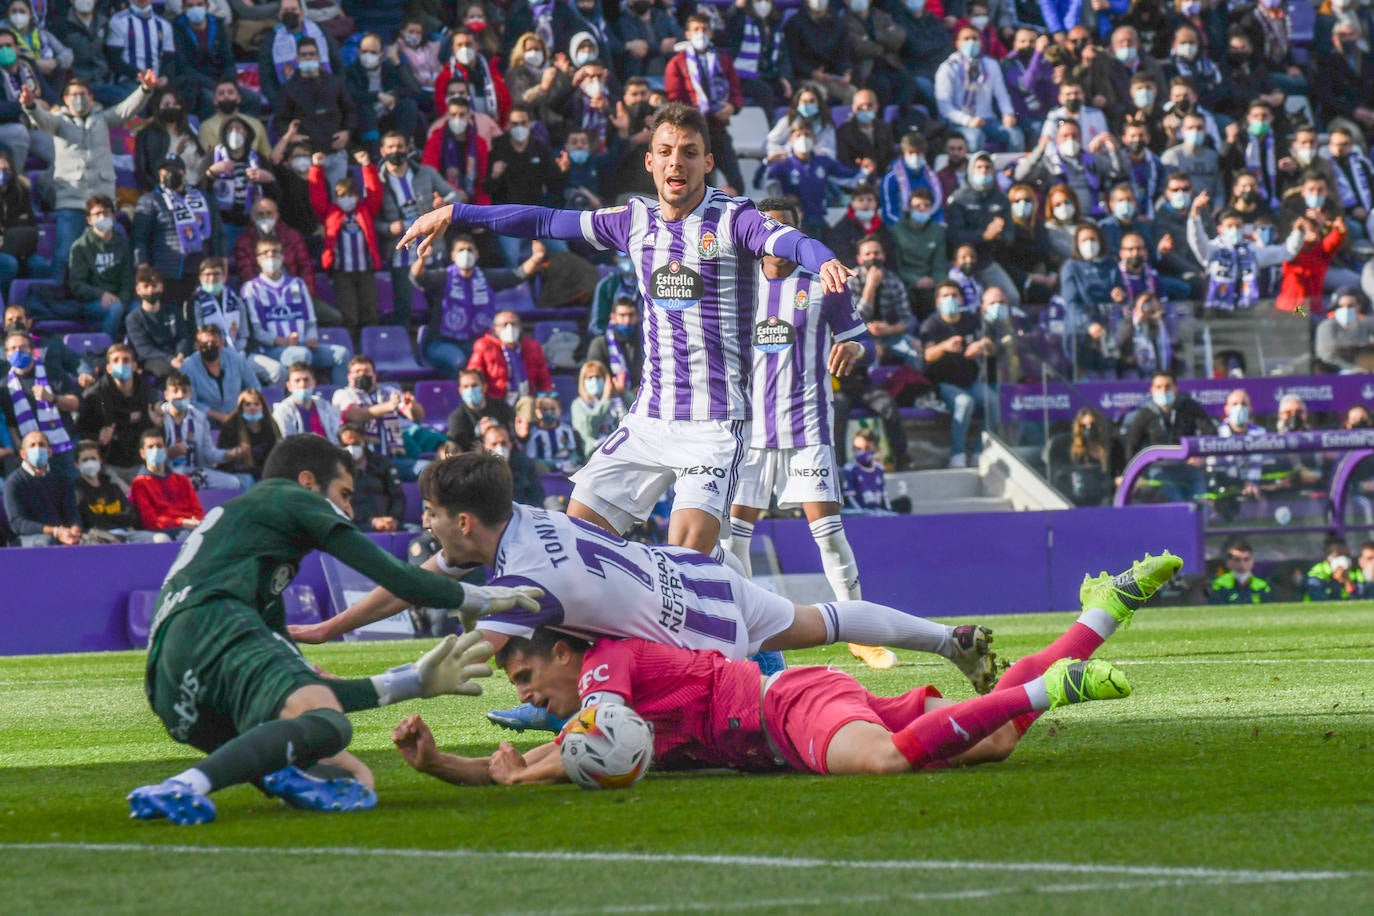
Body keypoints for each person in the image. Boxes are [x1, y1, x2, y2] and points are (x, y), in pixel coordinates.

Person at [396, 102, 853, 556]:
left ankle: (735, 598)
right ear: (650, 161)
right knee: (575, 545)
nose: (678, 161)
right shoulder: (634, 220)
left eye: (690, 152)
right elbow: (544, 219)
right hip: (647, 421)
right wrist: (457, 214)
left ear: (708, 163)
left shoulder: (734, 219)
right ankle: (724, 598)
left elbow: (786, 239)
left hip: (713, 426)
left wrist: (823, 258)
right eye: (667, 151)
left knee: (686, 559)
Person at [390, 553, 1180, 785]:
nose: (530, 699)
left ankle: (1052, 686)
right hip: (790, 712)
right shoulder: (595, 701)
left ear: (562, 651)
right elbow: (535, 756)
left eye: (527, 680)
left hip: (786, 710)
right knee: (997, 741)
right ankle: (1101, 613)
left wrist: (514, 778)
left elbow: (570, 749)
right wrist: (440, 765)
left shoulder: (606, 665)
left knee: (879, 763)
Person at [125, 433, 543, 825]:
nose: (348, 511)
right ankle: (184, 786)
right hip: (210, 623)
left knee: (355, 776)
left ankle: (269, 774)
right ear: (308, 483)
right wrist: (480, 599)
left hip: (170, 688)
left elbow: (314, 697)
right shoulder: (286, 495)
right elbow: (399, 577)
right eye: (344, 495)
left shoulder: (250, 551)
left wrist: (414, 682)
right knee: (332, 726)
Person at [721, 198, 893, 671]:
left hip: (807, 425)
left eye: (786, 231)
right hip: (750, 432)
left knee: (829, 535)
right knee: (735, 539)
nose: (777, 241)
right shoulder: (737, 287)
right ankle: (752, 637)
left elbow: (860, 339)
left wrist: (856, 349)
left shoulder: (823, 284)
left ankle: (859, 633)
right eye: (769, 229)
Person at [21, 72, 157, 281]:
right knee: (64, 253)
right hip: (72, 200)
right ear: (65, 99)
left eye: (83, 93)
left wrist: (144, 90)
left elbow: (125, 110)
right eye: (73, 94)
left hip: (102, 201)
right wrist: (31, 106)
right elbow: (43, 120)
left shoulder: (102, 119)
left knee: (106, 256)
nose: (79, 98)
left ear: (92, 97)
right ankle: (57, 292)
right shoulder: (59, 122)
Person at [410, 237, 544, 377]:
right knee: (461, 362)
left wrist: (536, 258)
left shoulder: (485, 278)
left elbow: (516, 276)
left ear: (477, 254)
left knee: (492, 358)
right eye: (461, 250)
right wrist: (421, 260)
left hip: (475, 341)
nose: (465, 253)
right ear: (452, 256)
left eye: (469, 250)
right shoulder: (443, 277)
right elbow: (417, 278)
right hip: (441, 342)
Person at [376, 131, 461, 327]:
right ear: (382, 151)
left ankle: (438, 340)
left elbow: (455, 196)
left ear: (407, 149)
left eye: (399, 146)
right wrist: (388, 228)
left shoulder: (426, 172)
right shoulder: (377, 182)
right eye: (390, 147)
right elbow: (370, 221)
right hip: (402, 251)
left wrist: (442, 206)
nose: (395, 151)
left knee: (439, 302)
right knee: (403, 304)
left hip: (433, 246)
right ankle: (402, 344)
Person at [243, 239, 346, 386]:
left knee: (341, 354)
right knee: (300, 354)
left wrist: (311, 337)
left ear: (283, 257)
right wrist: (282, 341)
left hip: (304, 346)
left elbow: (310, 321)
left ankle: (338, 399)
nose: (271, 256)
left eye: (275, 252)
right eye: (266, 253)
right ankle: (299, 398)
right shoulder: (251, 288)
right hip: (271, 350)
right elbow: (257, 332)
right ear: (258, 259)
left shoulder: (297, 284)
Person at [664, 12, 745, 196]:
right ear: (687, 34)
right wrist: (695, 114)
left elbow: (736, 92)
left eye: (704, 29)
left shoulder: (723, 60)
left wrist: (731, 107)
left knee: (736, 182)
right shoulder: (677, 63)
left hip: (719, 130)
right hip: (694, 133)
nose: (700, 33)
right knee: (700, 186)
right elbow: (675, 98)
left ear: (711, 33)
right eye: (696, 29)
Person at [1186, 191, 1302, 312]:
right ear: (1220, 229)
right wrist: (1195, 214)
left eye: (1238, 226)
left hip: (1256, 308)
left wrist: (1299, 233)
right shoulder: (1213, 250)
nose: (1235, 229)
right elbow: (1196, 239)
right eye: (1230, 226)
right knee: (1299, 312)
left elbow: (1286, 252)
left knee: (1303, 313)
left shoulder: (1253, 250)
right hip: (1217, 309)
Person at [922, 283, 996, 468]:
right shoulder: (932, 324)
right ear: (938, 301)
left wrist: (982, 345)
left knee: (993, 401)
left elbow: (992, 344)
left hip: (971, 381)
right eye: (945, 295)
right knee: (964, 402)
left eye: (954, 295)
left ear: (961, 299)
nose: (950, 299)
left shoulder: (972, 321)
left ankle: (980, 451)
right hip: (944, 385)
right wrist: (944, 346)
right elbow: (927, 355)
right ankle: (958, 455)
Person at [133, 157, 222, 306]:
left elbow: (216, 232)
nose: (170, 173)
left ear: (184, 172)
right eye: (166, 170)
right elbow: (139, 237)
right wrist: (143, 265)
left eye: (175, 169)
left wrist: (220, 260)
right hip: (167, 270)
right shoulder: (150, 200)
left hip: (199, 269)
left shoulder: (202, 197)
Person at [1123, 371, 1216, 502]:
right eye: (1159, 387)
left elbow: (1211, 432)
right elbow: (1132, 446)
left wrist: (1200, 455)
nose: (1163, 391)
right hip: (1160, 470)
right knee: (1178, 503)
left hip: (1188, 467)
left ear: (1176, 388)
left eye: (1168, 386)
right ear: (1152, 390)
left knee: (1201, 503)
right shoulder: (1145, 413)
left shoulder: (1190, 407)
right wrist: (1137, 476)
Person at [3, 328, 80, 482]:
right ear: (6, 354)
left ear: (32, 351)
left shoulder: (52, 372)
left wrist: (52, 398)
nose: (18, 351)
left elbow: (75, 403)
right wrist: (23, 450)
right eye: (13, 348)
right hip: (32, 455)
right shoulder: (5, 387)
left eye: (23, 347)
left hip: (63, 448)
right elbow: (12, 425)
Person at [76, 341, 157, 481]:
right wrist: (98, 439)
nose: (121, 364)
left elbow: (157, 419)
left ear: (134, 366)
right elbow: (79, 432)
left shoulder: (146, 391)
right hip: (108, 465)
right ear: (108, 368)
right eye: (116, 361)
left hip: (140, 464)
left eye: (126, 360)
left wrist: (158, 422)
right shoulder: (95, 395)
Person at [934, 26, 1022, 153]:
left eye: (975, 38)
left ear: (981, 42)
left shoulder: (991, 64)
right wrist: (967, 120)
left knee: (1015, 135)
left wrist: (1008, 113)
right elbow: (944, 106)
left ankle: (1013, 171)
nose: (971, 42)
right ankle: (975, 171)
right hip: (959, 122)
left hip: (987, 119)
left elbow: (1001, 94)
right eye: (966, 39)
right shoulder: (948, 68)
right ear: (957, 44)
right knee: (975, 137)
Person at [159, 371, 251, 490]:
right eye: (175, 391)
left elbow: (209, 453)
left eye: (185, 391)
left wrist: (229, 454)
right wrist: (170, 453)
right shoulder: (159, 418)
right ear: (166, 395)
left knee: (234, 483)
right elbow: (151, 456)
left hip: (195, 471)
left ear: (191, 394)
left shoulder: (199, 418)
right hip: (167, 473)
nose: (181, 395)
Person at [60, 194, 131, 339]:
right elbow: (76, 285)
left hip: (119, 299)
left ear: (114, 216)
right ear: (89, 220)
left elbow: (127, 279)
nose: (102, 217)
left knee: (139, 309)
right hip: (91, 303)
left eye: (106, 213)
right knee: (115, 309)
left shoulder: (122, 243)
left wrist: (123, 300)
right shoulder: (80, 247)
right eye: (97, 214)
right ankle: (105, 351)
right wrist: (101, 294)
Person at [72, 438, 165, 544]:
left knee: (161, 539)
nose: (90, 463)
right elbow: (89, 520)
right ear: (76, 464)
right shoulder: (76, 491)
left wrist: (106, 516)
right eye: (85, 460)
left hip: (126, 533)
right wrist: (116, 516)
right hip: (100, 537)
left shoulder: (113, 487)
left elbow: (131, 516)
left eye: (93, 458)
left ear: (100, 461)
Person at [2, 429, 81, 546]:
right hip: (27, 539)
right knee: (47, 542)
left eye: (41, 445)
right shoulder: (14, 482)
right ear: (23, 454)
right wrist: (54, 531)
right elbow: (18, 523)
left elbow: (72, 512)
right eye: (32, 445)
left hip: (62, 534)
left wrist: (74, 529)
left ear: (50, 452)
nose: (37, 449)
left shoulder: (62, 477)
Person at [347, 31, 421, 152]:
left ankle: (402, 147)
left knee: (409, 105)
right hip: (363, 120)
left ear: (382, 54)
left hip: (387, 117)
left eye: (373, 52)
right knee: (366, 108)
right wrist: (377, 96)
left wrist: (397, 63)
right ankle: (375, 153)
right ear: (358, 52)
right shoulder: (351, 71)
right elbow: (352, 95)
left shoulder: (389, 69)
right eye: (364, 52)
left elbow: (414, 90)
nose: (368, 55)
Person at [465, 311, 553, 406]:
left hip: (525, 401)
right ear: (495, 328)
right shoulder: (484, 346)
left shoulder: (533, 346)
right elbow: (473, 376)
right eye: (504, 325)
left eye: (513, 324)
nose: (510, 328)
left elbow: (544, 378)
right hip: (495, 403)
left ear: (520, 327)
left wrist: (547, 397)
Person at [1045, 406, 1125, 507]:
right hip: (1087, 502)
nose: (1089, 430)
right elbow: (1086, 485)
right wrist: (1113, 483)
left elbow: (1122, 470)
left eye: (1092, 425)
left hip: (1114, 499)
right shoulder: (1077, 453)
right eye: (1084, 426)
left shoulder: (1113, 446)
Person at [125, 266, 195, 381]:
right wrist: (169, 359)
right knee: (169, 372)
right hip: (152, 358)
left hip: (177, 356)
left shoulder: (174, 311)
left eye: (154, 286)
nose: (150, 291)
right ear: (138, 290)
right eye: (146, 287)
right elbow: (144, 349)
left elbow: (183, 336)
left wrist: (181, 354)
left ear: (161, 287)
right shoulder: (133, 318)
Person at [338, 423, 405, 532]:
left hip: (390, 522)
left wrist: (394, 519)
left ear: (363, 441)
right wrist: (372, 521)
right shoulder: (338, 471)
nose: (351, 448)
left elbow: (397, 496)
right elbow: (342, 504)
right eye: (346, 445)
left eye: (355, 443)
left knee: (415, 531)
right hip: (358, 525)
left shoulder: (382, 463)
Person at [585, 298, 642, 402]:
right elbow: (593, 378)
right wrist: (618, 390)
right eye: (622, 315)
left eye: (631, 315)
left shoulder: (646, 343)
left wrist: (642, 388)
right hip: (608, 400)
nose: (627, 321)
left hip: (641, 398)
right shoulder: (600, 344)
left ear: (638, 317)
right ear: (613, 317)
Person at [215, 388, 279, 480]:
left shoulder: (270, 426)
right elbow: (224, 461)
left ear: (263, 407)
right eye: (247, 404)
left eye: (256, 404)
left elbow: (272, 456)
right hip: (236, 473)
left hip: (262, 472)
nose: (252, 408)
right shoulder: (230, 427)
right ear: (241, 408)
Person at [446, 369, 515, 452]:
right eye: (466, 387)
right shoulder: (457, 418)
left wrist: (522, 436)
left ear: (484, 387)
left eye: (474, 385)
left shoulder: (501, 407)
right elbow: (461, 451)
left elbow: (513, 435)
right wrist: (481, 436)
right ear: (460, 391)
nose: (470, 390)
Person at [480, 420, 544, 508]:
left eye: (503, 443)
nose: (500, 448)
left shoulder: (524, 463)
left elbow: (536, 494)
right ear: (485, 448)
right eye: (494, 444)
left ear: (510, 444)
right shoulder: (477, 470)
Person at [272, 362, 341, 441]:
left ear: (314, 383)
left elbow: (336, 433)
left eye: (306, 380)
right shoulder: (282, 411)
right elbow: (285, 442)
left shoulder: (324, 405)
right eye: (297, 381)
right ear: (289, 386)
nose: (302, 384)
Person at [569, 359, 623, 454]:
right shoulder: (577, 405)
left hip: (619, 451)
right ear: (583, 381)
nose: (594, 381)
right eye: (590, 378)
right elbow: (589, 430)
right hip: (594, 454)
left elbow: (632, 422)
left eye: (598, 377)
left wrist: (623, 392)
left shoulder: (614, 400)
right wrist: (605, 399)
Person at [1314, 288, 1374, 374]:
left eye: (1350, 306)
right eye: (1341, 306)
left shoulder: (1365, 324)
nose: (1346, 309)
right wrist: (1354, 369)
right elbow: (1327, 356)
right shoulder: (1326, 326)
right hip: (1334, 374)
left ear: (1359, 306)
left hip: (1366, 374)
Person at [1207, 538, 1272, 604]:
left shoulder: (1262, 586)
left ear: (1252, 562)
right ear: (1228, 562)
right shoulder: (1219, 585)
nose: (1242, 564)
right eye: (1237, 560)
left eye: (1246, 560)